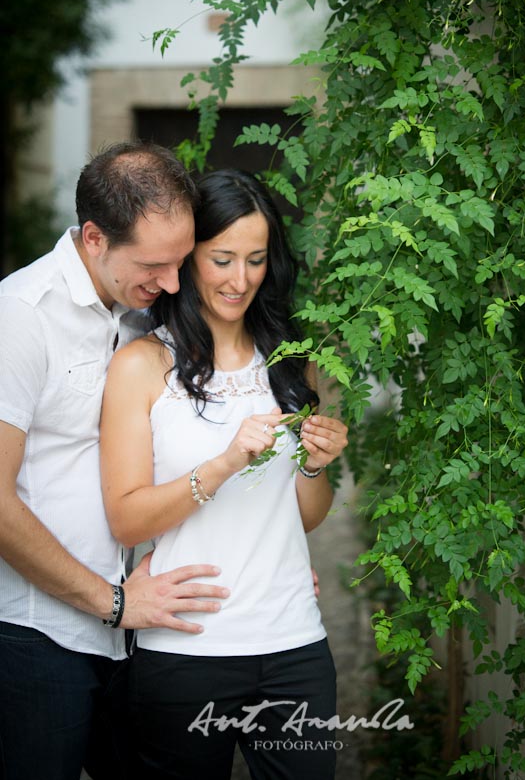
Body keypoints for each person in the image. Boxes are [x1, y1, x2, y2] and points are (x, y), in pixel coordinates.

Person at [100, 168, 349, 780]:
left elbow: (307, 517)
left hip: (294, 643)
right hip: (187, 649)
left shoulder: (294, 363)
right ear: (188, 260)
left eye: (257, 259)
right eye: (223, 259)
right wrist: (224, 463)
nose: (241, 279)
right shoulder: (140, 366)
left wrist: (316, 465)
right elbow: (126, 519)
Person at [0, 142, 230, 780]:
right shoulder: (20, 315)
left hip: (136, 629)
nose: (175, 283)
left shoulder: (145, 312)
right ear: (95, 237)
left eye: (182, 262)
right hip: (37, 634)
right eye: (156, 264)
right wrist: (112, 602)